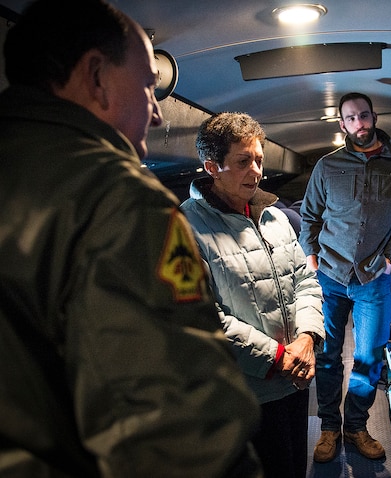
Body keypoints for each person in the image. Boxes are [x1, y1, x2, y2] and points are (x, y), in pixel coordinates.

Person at [0, 1, 261, 476]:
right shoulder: (116, 200)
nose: (158, 115)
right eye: (147, 87)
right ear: (96, 76)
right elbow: (177, 432)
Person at [180, 112, 325, 478]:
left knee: (295, 466)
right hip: (245, 392)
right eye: (244, 162)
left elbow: (306, 282)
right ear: (212, 166)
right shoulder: (184, 229)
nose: (256, 171)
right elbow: (198, 316)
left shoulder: (275, 218)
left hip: (295, 377)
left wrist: (307, 338)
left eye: (259, 159)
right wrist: (277, 357)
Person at [299, 92, 391, 463]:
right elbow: (309, 216)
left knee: (368, 358)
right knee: (329, 356)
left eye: (364, 116)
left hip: (374, 276)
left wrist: (387, 257)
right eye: (350, 119)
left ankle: (356, 426)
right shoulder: (327, 166)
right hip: (331, 275)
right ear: (342, 125)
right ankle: (330, 428)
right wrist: (311, 254)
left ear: (374, 116)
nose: (359, 124)